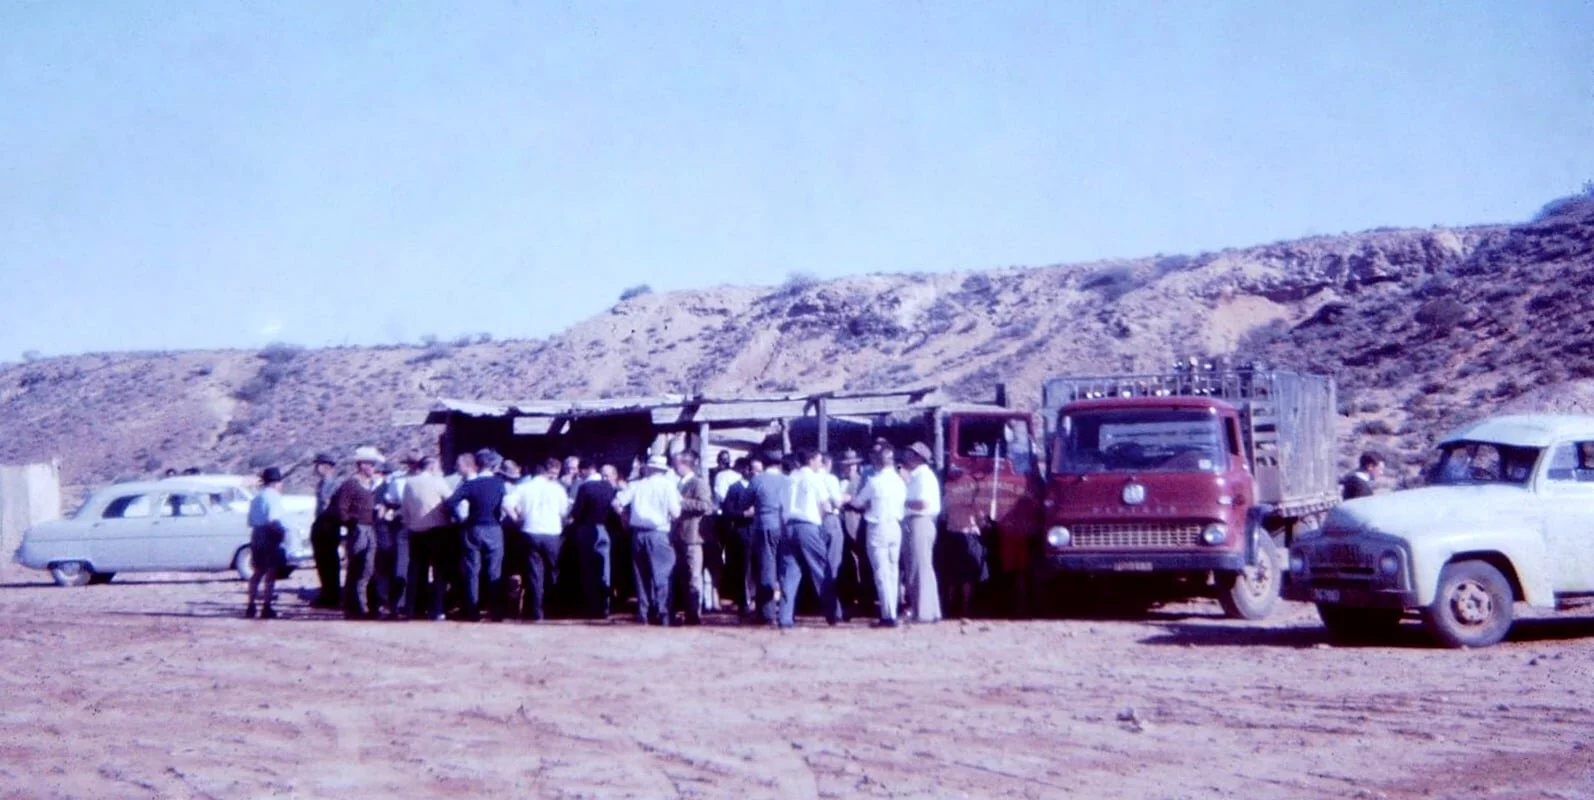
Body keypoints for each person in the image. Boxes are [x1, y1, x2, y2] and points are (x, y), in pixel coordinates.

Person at [614, 455, 682, 625]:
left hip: (638, 533)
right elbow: (676, 513)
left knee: (641, 575)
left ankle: (643, 613)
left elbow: (616, 502)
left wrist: (625, 517)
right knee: (662, 575)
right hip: (658, 532)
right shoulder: (668, 486)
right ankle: (663, 613)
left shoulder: (637, 485)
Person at [778, 449, 841, 628]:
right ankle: (833, 613)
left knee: (790, 572)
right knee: (822, 569)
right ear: (811, 460)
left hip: (789, 525)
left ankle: (785, 617)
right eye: (819, 460)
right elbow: (825, 504)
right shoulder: (814, 478)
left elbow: (782, 506)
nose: (820, 464)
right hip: (808, 525)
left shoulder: (790, 478)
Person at [446, 449, 508, 621]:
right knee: (494, 570)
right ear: (493, 465)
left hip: (472, 527)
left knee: (472, 570)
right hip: (493, 528)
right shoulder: (499, 483)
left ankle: (472, 610)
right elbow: (504, 505)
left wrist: (460, 518)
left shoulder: (470, 484)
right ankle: (494, 609)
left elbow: (451, 502)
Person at [506, 457, 571, 621]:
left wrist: (516, 519)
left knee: (535, 573)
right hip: (552, 533)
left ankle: (536, 611)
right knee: (554, 571)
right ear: (546, 473)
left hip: (530, 531)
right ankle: (553, 607)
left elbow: (507, 503)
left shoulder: (523, 487)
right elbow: (564, 512)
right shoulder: (557, 489)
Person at [851, 445, 907, 627]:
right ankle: (893, 609)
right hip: (895, 526)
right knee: (893, 570)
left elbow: (858, 502)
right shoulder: (900, 481)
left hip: (878, 526)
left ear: (877, 461)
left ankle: (888, 615)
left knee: (881, 573)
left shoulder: (874, 481)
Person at [333, 446, 384, 619]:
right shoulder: (351, 484)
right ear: (363, 465)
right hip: (359, 529)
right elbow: (341, 509)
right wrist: (351, 524)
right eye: (371, 465)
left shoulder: (368, 485)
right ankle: (356, 607)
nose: (374, 468)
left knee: (367, 568)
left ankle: (362, 605)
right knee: (357, 567)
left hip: (369, 527)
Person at [401, 455, 452, 620]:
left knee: (416, 570)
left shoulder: (409, 483)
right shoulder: (438, 482)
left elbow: (405, 508)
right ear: (431, 467)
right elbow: (451, 501)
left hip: (416, 530)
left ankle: (412, 608)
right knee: (439, 571)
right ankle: (436, 609)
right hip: (437, 530)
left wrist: (410, 524)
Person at [671, 451, 716, 625]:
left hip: (693, 536)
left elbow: (705, 505)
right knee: (682, 575)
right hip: (679, 536)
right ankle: (685, 610)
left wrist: (681, 502)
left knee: (693, 576)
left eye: (676, 463)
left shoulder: (698, 483)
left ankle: (694, 613)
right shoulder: (679, 483)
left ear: (683, 464)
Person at [569, 458, 618, 619]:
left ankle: (592, 605)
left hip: (587, 529)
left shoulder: (585, 487)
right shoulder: (609, 486)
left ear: (584, 470)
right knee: (605, 568)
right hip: (604, 529)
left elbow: (576, 512)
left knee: (589, 568)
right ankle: (606, 605)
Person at [900, 442, 943, 624]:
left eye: (911, 454)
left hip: (920, 521)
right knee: (921, 567)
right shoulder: (916, 476)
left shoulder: (923, 477)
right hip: (917, 522)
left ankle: (922, 612)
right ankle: (930, 610)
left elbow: (922, 504)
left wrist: (901, 502)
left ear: (919, 458)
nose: (907, 456)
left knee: (919, 568)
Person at [748, 452, 789, 625]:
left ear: (764, 463)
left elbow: (745, 502)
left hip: (764, 525)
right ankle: (788, 610)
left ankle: (767, 613)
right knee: (786, 568)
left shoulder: (757, 480)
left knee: (767, 567)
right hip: (785, 525)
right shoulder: (787, 481)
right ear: (779, 464)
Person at [245, 466, 290, 619]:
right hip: (269, 535)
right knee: (270, 573)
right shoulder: (274, 497)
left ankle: (251, 605)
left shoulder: (256, 498)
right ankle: (266, 606)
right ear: (276, 482)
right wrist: (282, 533)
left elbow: (250, 521)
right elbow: (273, 519)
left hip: (256, 534)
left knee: (257, 572)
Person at [719, 457, 758, 617]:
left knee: (756, 567)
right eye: (755, 470)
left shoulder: (759, 487)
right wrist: (744, 514)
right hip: (742, 532)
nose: (757, 473)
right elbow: (727, 511)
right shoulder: (735, 488)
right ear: (747, 470)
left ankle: (756, 600)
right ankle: (744, 601)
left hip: (757, 531)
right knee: (743, 568)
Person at [835, 449, 871, 617]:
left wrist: (850, 501)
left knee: (862, 563)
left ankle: (866, 600)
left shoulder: (863, 481)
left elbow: (865, 503)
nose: (849, 468)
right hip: (842, 524)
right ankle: (849, 597)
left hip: (857, 524)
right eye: (846, 465)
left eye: (852, 465)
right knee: (846, 563)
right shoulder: (839, 481)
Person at [309, 452, 342, 609]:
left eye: (317, 465)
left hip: (328, 526)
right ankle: (326, 593)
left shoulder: (334, 485)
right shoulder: (322, 484)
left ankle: (332, 595)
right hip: (320, 525)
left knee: (329, 562)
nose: (315, 468)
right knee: (322, 562)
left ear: (325, 466)